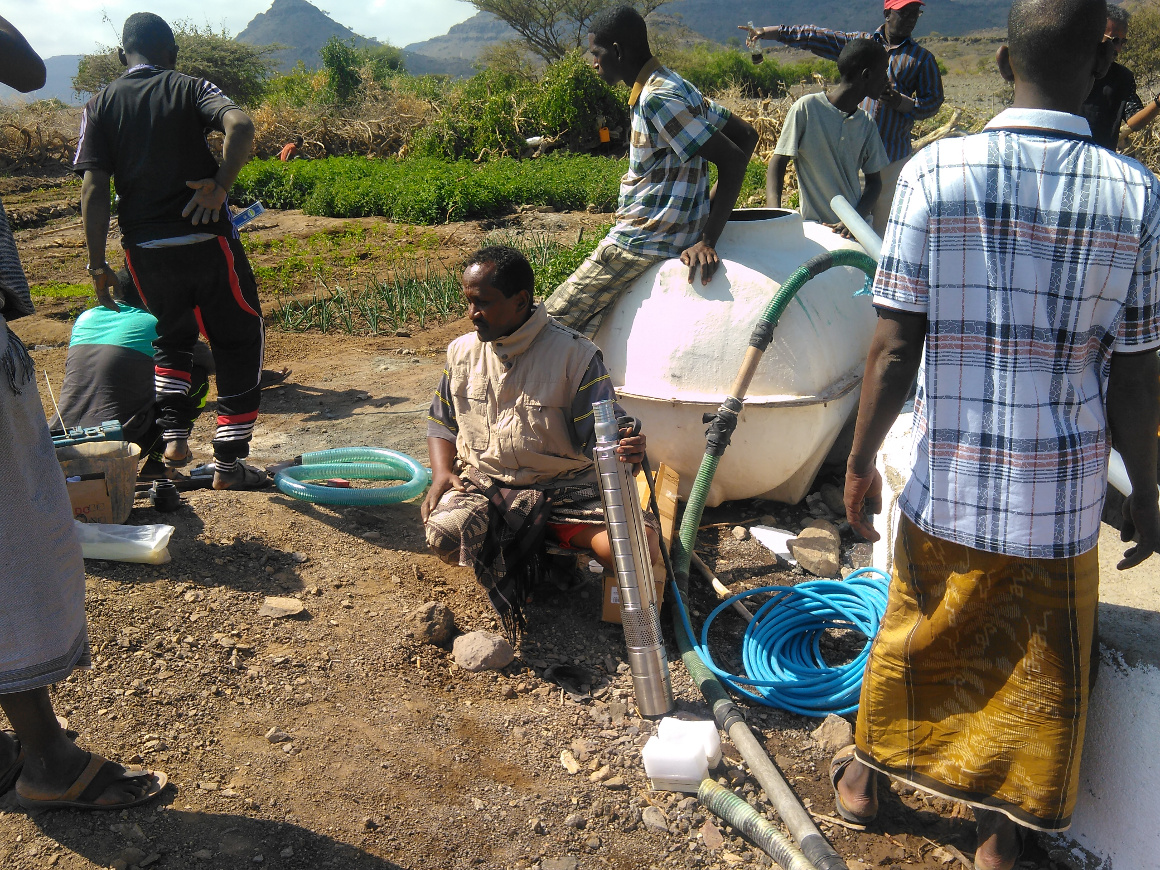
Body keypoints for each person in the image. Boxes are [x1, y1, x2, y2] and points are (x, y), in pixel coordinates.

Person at [837, 2, 1160, 868]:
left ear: (1005, 60)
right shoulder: (1137, 195)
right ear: (1096, 72)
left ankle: (869, 784)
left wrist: (860, 462)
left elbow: (894, 345)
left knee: (917, 634)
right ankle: (999, 837)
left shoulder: (934, 174)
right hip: (1058, 504)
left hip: (951, 481)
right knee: (1036, 673)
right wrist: (1151, 496)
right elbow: (1137, 377)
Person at [0, 15, 166, 812]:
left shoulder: (93, 320)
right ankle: (45, 757)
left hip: (74, 411)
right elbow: (27, 71)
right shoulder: (144, 322)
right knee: (17, 540)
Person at [423, 246, 660, 637]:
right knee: (445, 534)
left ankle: (543, 533)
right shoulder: (462, 352)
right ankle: (536, 539)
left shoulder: (575, 357)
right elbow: (442, 422)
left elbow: (606, 433)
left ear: (520, 302)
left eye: (483, 302)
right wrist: (442, 473)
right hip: (487, 485)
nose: (472, 314)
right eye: (468, 301)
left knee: (634, 555)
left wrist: (627, 446)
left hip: (566, 489)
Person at [74, 12, 268, 491]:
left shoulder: (99, 104)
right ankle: (228, 463)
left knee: (172, 338)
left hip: (143, 251)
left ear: (123, 56)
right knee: (238, 338)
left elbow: (94, 188)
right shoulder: (189, 86)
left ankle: (177, 436)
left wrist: (98, 264)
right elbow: (240, 125)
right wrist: (220, 185)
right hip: (205, 240)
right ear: (173, 53)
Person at [544, 5, 758, 339]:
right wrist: (705, 211)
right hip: (654, 235)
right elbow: (746, 135)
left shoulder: (657, 99)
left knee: (547, 326)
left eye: (596, 54)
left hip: (642, 241)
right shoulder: (677, 85)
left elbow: (732, 158)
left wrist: (706, 237)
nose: (594, 63)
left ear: (616, 51)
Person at [745, 0, 944, 238]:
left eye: (916, 13)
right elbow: (815, 36)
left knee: (883, 234)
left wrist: (900, 102)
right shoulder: (859, 46)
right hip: (850, 160)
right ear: (887, 13)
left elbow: (932, 103)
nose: (911, 18)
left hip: (891, 160)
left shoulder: (921, 59)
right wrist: (768, 32)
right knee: (848, 230)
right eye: (904, 12)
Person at [767, 39, 891, 231]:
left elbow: (874, 183)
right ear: (866, 75)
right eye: (883, 72)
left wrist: (854, 220)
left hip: (854, 229)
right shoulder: (807, 109)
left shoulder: (866, 123)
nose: (887, 80)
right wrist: (774, 215)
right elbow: (778, 162)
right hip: (815, 227)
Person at [1080, 4, 1158, 149]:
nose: (1118, 49)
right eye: (1114, 40)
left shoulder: (1123, 78)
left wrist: (1158, 103)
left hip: (1101, 161)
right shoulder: (1071, 70)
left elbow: (1134, 121)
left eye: (1122, 42)